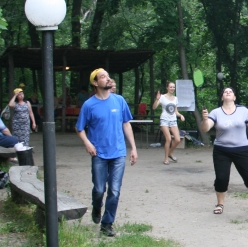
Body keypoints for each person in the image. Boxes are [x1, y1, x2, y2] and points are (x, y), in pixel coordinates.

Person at [76, 68, 138, 237]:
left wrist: (133, 148)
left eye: (108, 76)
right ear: (95, 83)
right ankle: (97, 207)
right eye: (103, 77)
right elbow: (79, 128)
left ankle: (107, 224)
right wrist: (87, 143)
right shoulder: (89, 105)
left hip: (118, 152)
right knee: (98, 189)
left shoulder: (119, 100)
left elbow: (126, 124)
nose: (108, 79)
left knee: (115, 190)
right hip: (99, 154)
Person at [200, 87, 248, 214]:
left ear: (234, 97)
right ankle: (220, 203)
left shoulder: (243, 111)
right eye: (225, 92)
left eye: (230, 91)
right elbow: (205, 128)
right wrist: (205, 119)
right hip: (221, 150)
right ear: (222, 97)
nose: (228, 92)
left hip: (242, 150)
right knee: (221, 179)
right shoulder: (216, 112)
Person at [153, 81, 186, 165]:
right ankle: (166, 158)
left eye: (173, 87)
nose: (172, 88)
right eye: (171, 87)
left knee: (177, 139)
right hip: (164, 120)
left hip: (173, 120)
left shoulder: (175, 98)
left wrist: (180, 115)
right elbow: (154, 107)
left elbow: (176, 111)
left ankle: (170, 153)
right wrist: (157, 99)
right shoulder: (162, 97)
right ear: (167, 88)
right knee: (168, 139)